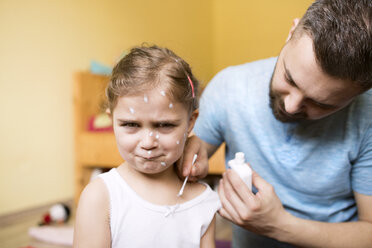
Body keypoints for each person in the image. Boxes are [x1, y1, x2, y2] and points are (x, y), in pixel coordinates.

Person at [180, 0, 372, 247]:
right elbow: (192, 157)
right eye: (289, 78)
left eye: (322, 104)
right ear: (291, 32)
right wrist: (189, 158)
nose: (291, 106)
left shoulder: (367, 117)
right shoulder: (229, 87)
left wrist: (279, 226)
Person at [73, 45, 221, 248]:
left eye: (164, 125)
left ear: (190, 123)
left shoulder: (202, 201)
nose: (148, 143)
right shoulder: (101, 197)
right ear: (112, 121)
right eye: (131, 125)